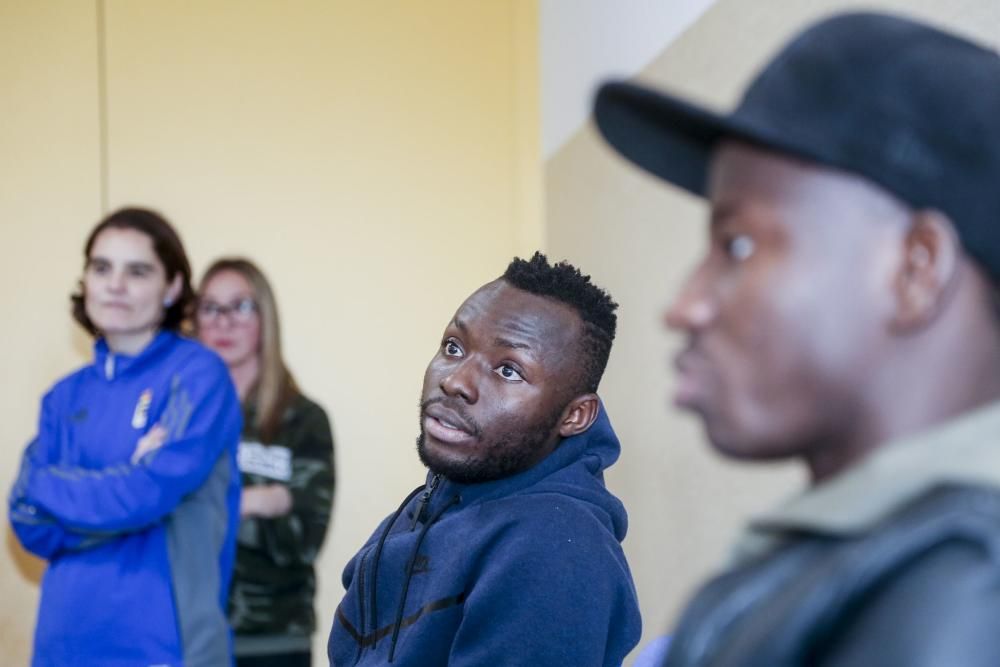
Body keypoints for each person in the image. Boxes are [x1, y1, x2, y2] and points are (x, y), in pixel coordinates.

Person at [594, 11, 1000, 667]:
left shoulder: (964, 590)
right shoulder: (867, 555)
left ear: (915, 270)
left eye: (739, 245)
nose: (685, 306)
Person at [327, 252, 641, 666]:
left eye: (509, 370)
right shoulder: (427, 507)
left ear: (574, 415)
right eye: (453, 347)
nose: (455, 381)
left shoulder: (554, 547)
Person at [8, 207, 243, 666]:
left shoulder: (197, 375)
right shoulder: (62, 396)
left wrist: (47, 485)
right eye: (101, 268)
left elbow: (145, 495)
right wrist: (121, 489)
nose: (115, 285)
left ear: (172, 287)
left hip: (169, 647)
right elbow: (28, 520)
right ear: (86, 281)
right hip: (62, 645)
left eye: (137, 271)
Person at [196, 258, 335, 667]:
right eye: (210, 307)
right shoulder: (179, 418)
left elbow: (304, 538)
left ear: (265, 318)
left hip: (274, 640)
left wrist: (214, 506)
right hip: (186, 634)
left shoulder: (302, 420)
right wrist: (262, 499)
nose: (224, 322)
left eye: (240, 306)